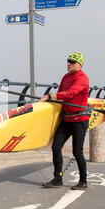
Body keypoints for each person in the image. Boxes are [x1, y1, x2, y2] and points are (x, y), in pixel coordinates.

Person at [40, 52, 90, 190]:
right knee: (56, 147)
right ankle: (58, 178)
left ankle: (83, 181)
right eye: (68, 61)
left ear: (79, 64)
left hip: (79, 120)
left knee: (77, 151)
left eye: (72, 61)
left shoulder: (83, 78)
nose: (68, 63)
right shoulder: (66, 77)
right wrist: (50, 99)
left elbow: (70, 94)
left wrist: (50, 94)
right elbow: (61, 95)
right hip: (67, 118)